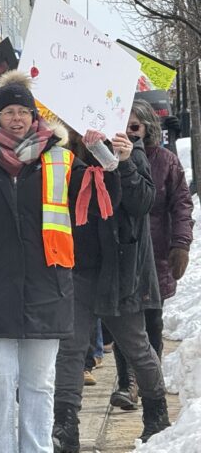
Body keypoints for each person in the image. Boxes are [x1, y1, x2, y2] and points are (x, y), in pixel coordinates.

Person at [0, 70, 86, 453]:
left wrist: (117, 163)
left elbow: (94, 202)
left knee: (40, 383)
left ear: (34, 116)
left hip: (47, 288)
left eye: (22, 111)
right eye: (8, 110)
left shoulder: (60, 158)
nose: (16, 118)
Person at [52, 125, 170, 451]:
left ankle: (156, 418)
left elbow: (142, 202)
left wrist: (123, 161)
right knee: (70, 351)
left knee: (136, 347)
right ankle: (65, 428)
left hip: (121, 272)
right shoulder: (65, 156)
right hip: (78, 271)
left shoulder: (131, 151)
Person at [108, 101, 192, 409]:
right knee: (123, 318)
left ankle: (149, 380)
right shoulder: (108, 158)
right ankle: (125, 381)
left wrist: (180, 245)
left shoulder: (166, 161)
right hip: (122, 251)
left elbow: (181, 205)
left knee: (151, 320)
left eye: (135, 127)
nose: (129, 133)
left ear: (147, 128)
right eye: (124, 127)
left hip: (155, 253)